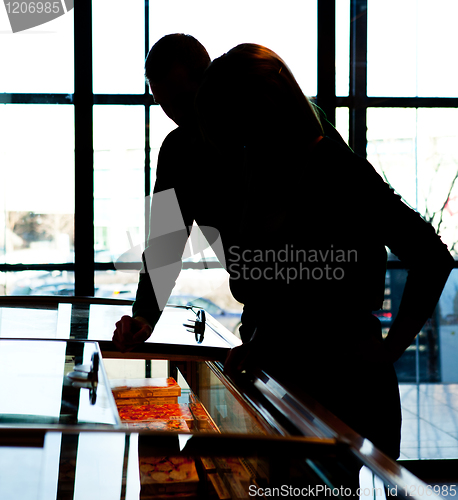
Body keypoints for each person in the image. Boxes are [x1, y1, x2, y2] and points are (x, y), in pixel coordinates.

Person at [192, 43, 454, 462]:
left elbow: (431, 257)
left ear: (263, 114)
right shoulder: (268, 172)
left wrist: (388, 351)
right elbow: (294, 296)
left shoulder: (337, 171)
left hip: (343, 398)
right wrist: (262, 343)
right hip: (295, 391)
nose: (239, 149)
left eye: (241, 135)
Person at [113, 34, 347, 351]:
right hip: (269, 320)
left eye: (182, 101)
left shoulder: (282, 126)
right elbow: (165, 247)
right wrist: (143, 317)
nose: (177, 116)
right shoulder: (180, 150)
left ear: (209, 80)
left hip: (325, 318)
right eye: (164, 106)